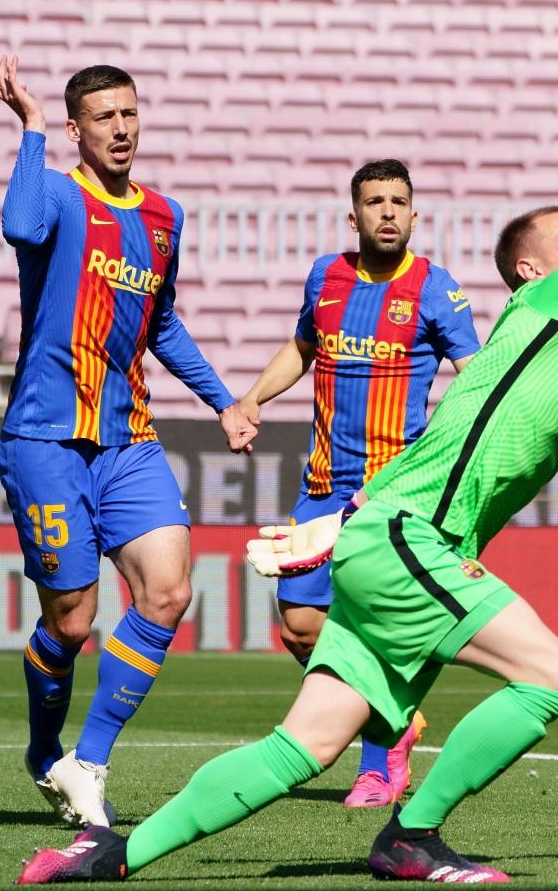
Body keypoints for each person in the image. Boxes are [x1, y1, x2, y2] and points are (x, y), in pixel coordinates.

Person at [15, 43, 558, 886]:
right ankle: (412, 835)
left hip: (398, 535)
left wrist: (351, 518)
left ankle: (114, 855)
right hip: (413, 541)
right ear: (532, 268)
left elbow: (447, 439)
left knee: (302, 747)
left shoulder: (541, 339)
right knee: (551, 676)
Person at [0, 56, 253, 829]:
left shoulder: (164, 216)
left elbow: (160, 321)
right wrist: (31, 131)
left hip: (129, 437)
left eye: (130, 114)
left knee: (168, 592)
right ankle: (46, 752)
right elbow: (17, 226)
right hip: (46, 437)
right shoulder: (58, 193)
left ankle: (91, 762)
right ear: (78, 129)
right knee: (72, 623)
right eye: (104, 117)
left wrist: (221, 401)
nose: (122, 128)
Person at [224, 159, 481, 807]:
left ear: (415, 214)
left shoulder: (435, 288)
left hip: (393, 495)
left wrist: (445, 455)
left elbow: (473, 378)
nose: (388, 212)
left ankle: (376, 765)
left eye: (398, 201)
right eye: (375, 201)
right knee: (301, 625)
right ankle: (393, 714)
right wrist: (254, 395)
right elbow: (301, 348)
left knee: (369, 625)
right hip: (322, 484)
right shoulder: (326, 277)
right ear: (354, 214)